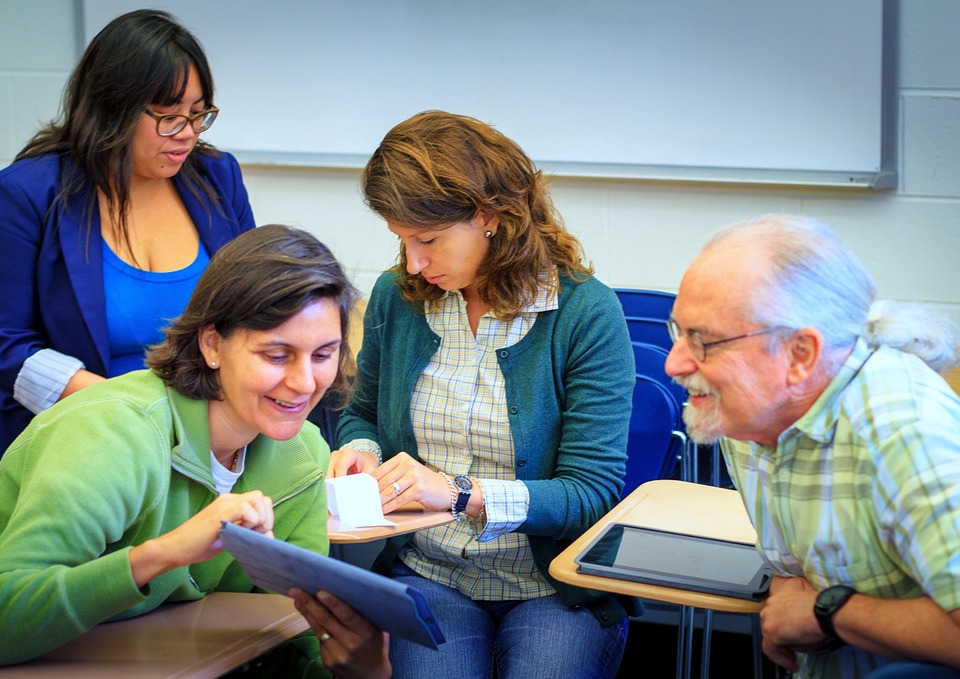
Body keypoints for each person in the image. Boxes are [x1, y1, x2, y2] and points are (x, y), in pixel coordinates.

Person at [0, 225, 390, 679]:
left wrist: (362, 672)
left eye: (323, 355)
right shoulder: (113, 433)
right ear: (212, 345)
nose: (305, 383)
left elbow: (290, 646)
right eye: (277, 356)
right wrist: (164, 554)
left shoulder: (302, 455)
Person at [330, 110, 635, 679]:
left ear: (490, 216)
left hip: (553, 583)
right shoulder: (400, 299)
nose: (414, 262)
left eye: (428, 240)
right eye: (402, 241)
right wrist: (363, 452)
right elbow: (362, 413)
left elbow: (590, 494)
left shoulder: (585, 313)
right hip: (430, 570)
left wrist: (459, 494)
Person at [663, 214, 960, 678]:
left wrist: (828, 612)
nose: (674, 363)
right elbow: (791, 569)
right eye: (677, 331)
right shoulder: (749, 413)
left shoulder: (904, 436)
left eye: (703, 340)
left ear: (800, 355)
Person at [0, 9, 256, 452]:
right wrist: (129, 412)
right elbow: (7, 344)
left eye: (198, 115)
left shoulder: (218, 177)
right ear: (112, 107)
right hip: (82, 437)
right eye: (168, 116)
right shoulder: (29, 194)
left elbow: (257, 305)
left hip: (208, 438)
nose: (187, 134)